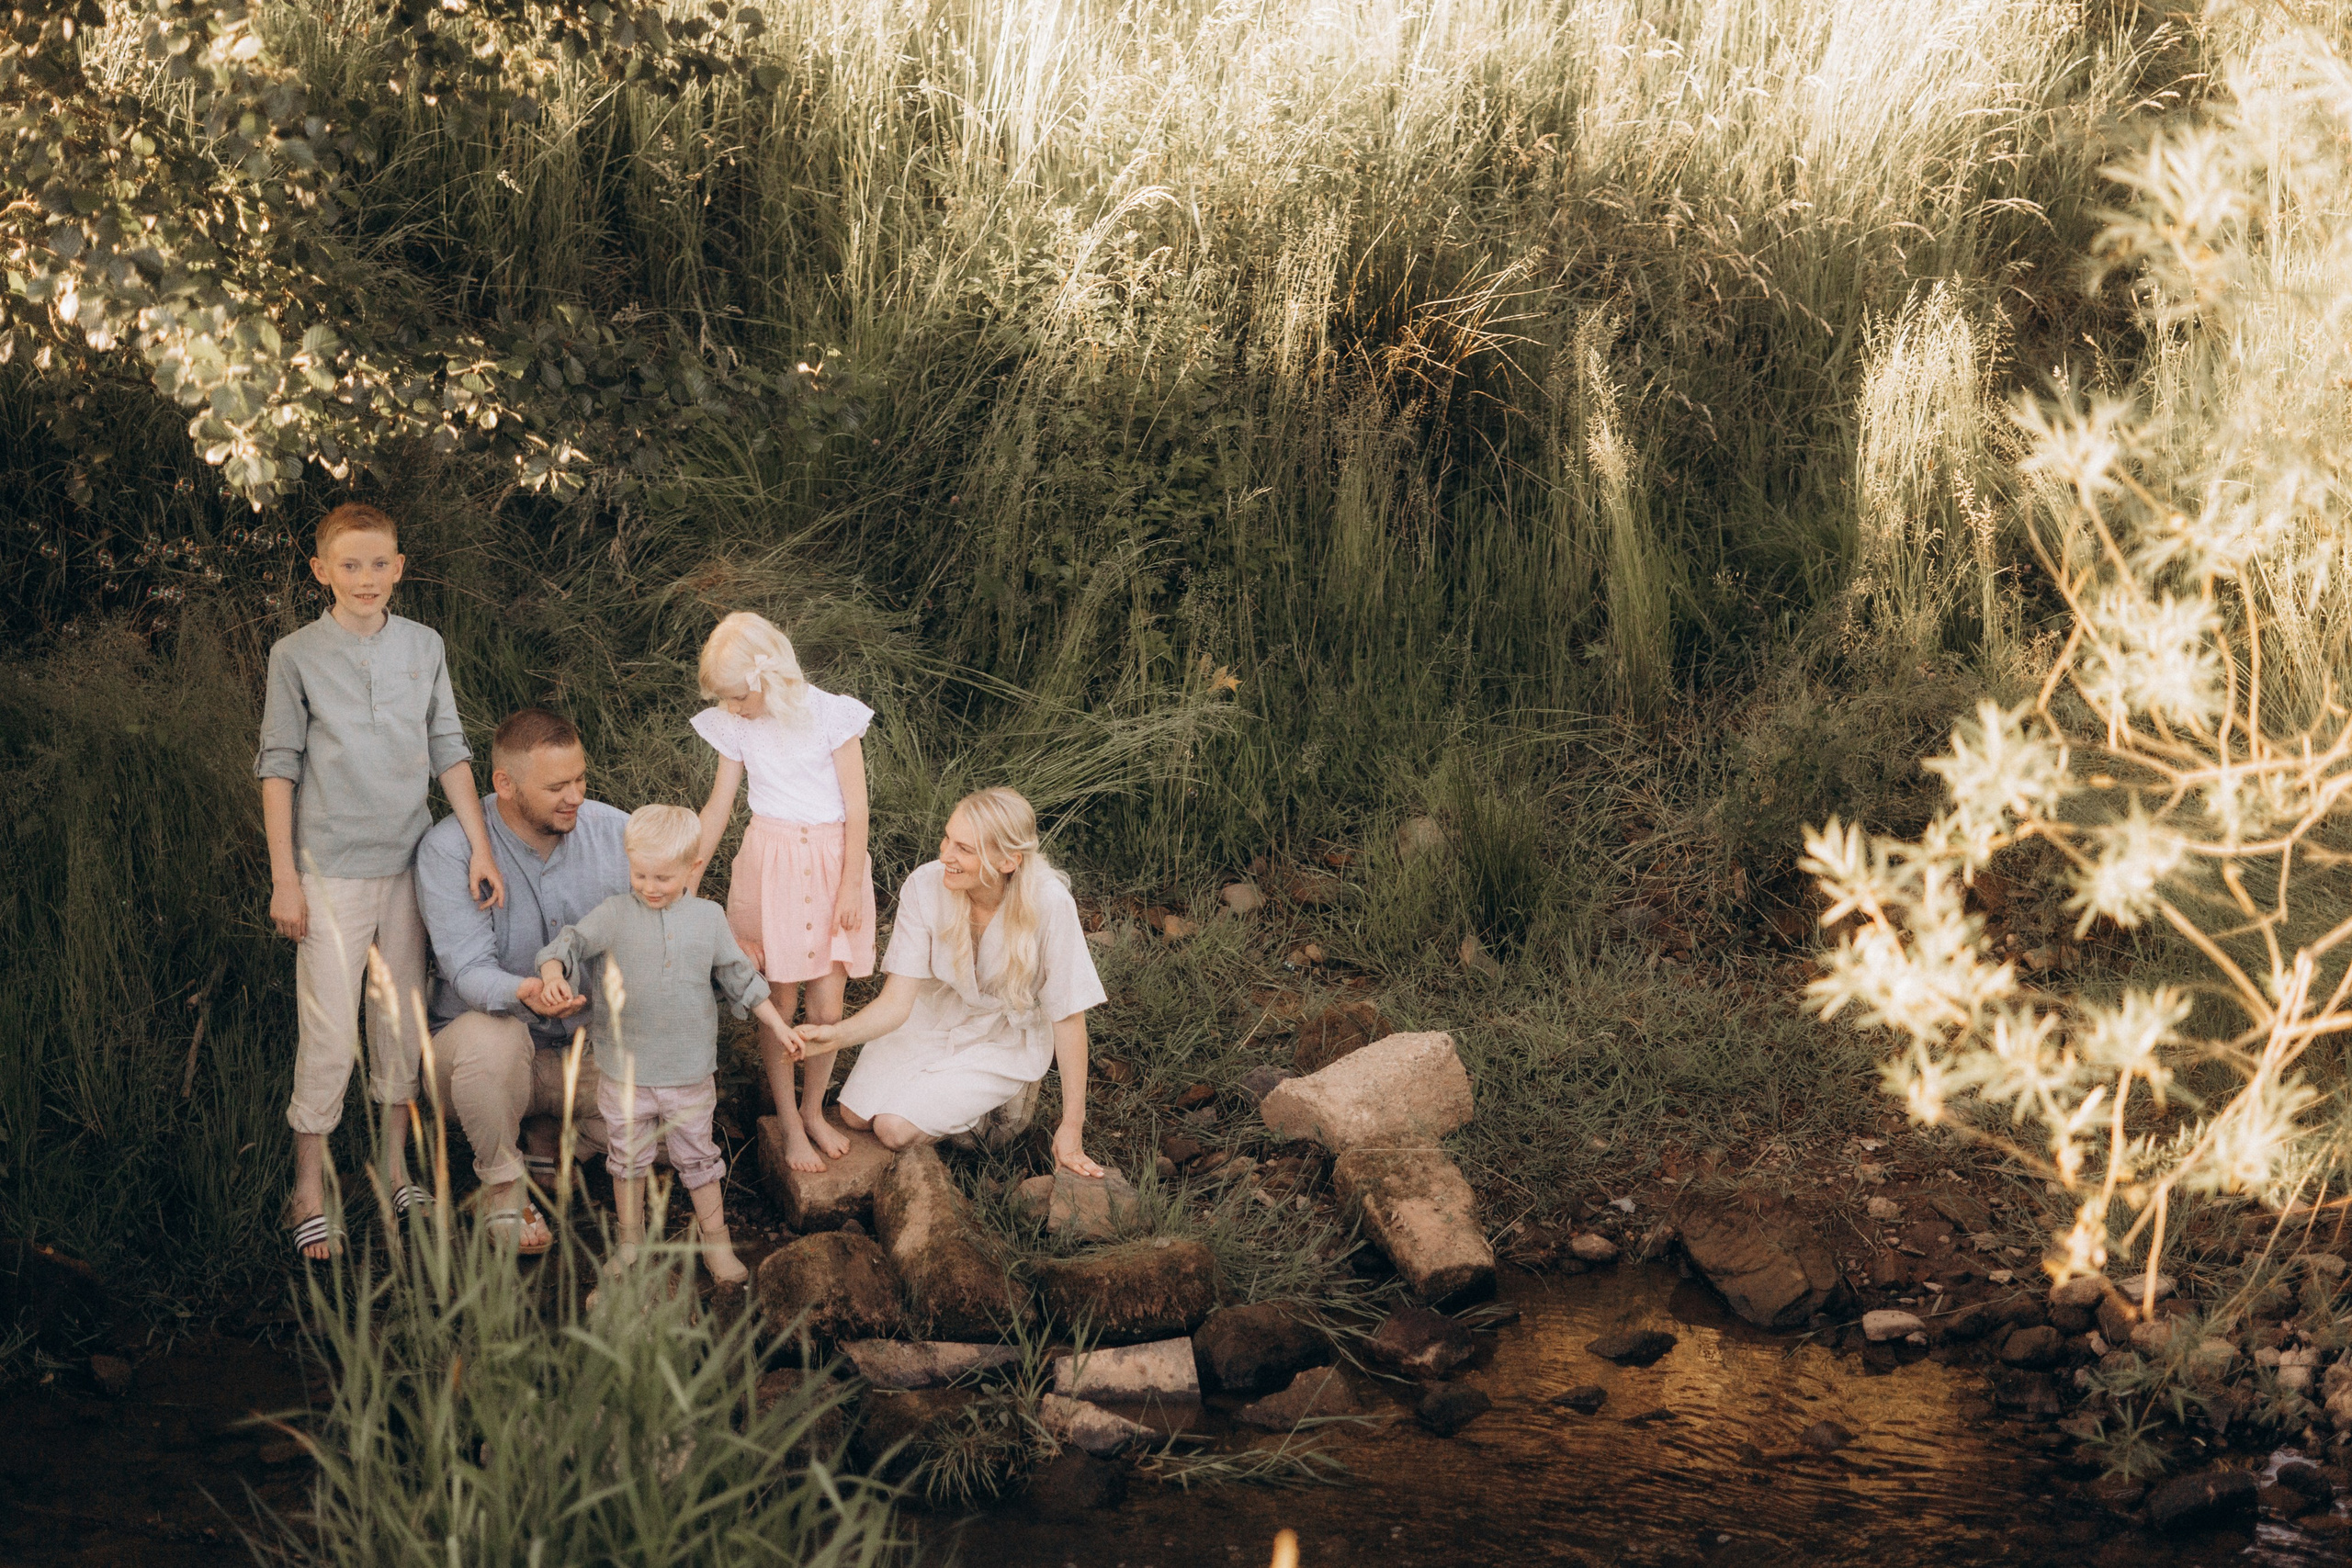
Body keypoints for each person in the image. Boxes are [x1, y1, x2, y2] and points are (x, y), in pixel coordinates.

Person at [254, 502, 507, 1261]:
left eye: (379, 563)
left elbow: (448, 748)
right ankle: (309, 1184)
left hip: (408, 866)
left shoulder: (423, 646)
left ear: (399, 567)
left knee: (399, 1020)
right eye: (350, 564)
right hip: (328, 872)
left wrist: (480, 846)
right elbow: (278, 767)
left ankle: (395, 1166)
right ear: (322, 571)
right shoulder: (294, 655)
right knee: (330, 1027)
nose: (366, 578)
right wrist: (285, 879)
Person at [536, 804, 797, 1286]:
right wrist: (554, 972)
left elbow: (742, 978)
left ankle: (715, 1242)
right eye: (640, 875)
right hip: (625, 1071)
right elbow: (570, 942)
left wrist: (780, 1028)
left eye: (663, 877)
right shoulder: (615, 915)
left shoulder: (708, 918)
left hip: (689, 1072)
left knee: (698, 1158)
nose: (650, 887)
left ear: (692, 868)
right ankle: (630, 1243)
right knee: (627, 1159)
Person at [799, 787, 1103, 1175]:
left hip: (1004, 1034)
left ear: (1008, 861)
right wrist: (836, 1036)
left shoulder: (1050, 903)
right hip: (934, 1014)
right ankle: (941, 1097)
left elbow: (1068, 1017)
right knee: (854, 1114)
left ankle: (994, 1114)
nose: (945, 855)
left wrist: (1071, 1126)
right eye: (947, 838)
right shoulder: (925, 885)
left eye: (964, 848)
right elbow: (897, 1003)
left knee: (892, 1129)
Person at [414, 707, 623, 1253]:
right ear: (503, 785)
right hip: (483, 1059)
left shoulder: (616, 832)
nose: (575, 795)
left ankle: (556, 1141)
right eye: (557, 786)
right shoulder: (450, 848)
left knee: (679, 1120)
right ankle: (501, 1185)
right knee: (495, 1037)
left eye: (580, 778)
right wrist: (524, 992)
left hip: (583, 1050)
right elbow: (467, 971)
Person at [688, 611, 876, 1174]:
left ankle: (813, 1109)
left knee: (825, 1002)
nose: (729, 709)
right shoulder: (738, 726)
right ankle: (788, 1124)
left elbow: (858, 807)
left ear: (762, 677)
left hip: (829, 864)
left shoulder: (831, 715)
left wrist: (848, 885)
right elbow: (719, 806)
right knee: (779, 1000)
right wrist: (690, 876)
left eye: (733, 697)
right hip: (770, 866)